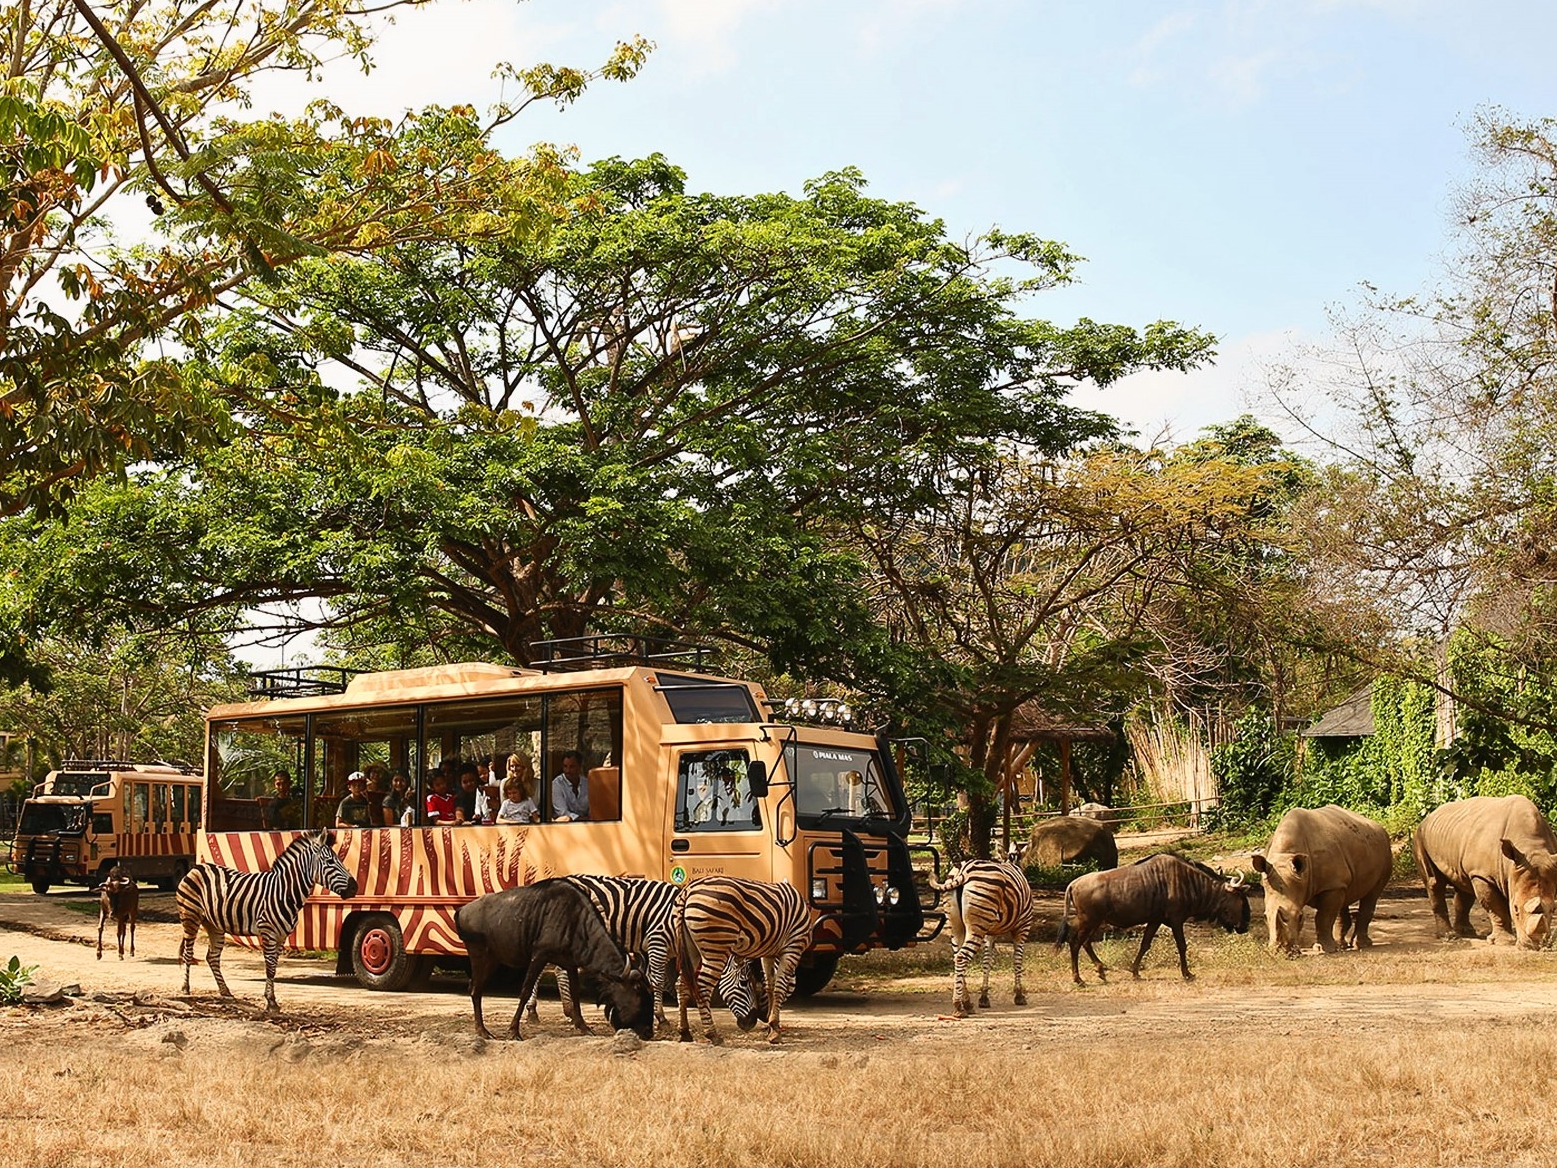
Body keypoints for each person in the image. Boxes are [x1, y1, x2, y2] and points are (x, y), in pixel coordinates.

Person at [550, 750, 589, 822]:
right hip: (565, 826)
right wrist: (581, 819)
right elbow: (562, 812)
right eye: (565, 766)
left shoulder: (587, 783)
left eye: (572, 767)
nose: (568, 770)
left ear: (580, 767)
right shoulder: (557, 784)